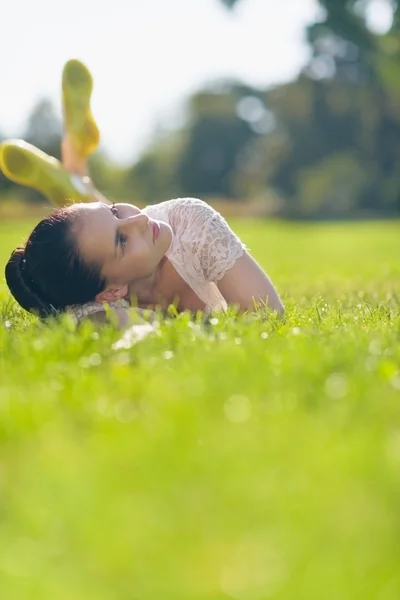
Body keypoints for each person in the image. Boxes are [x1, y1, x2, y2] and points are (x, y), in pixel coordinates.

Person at [1, 60, 284, 327]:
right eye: (121, 242)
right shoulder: (85, 301)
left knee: (93, 231)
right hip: (89, 272)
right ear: (111, 292)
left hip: (134, 245)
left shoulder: (190, 223)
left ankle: (78, 179)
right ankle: (76, 172)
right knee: (89, 234)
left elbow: (269, 317)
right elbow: (118, 327)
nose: (138, 220)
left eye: (113, 210)